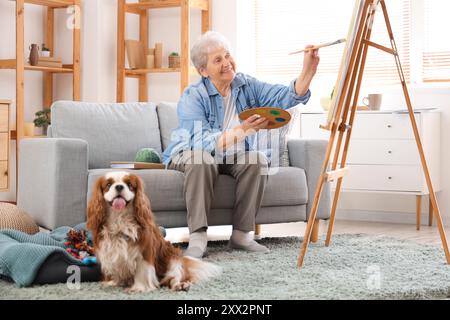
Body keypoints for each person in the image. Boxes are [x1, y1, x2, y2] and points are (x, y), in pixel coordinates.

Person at [163, 31, 319, 258]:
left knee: (256, 159)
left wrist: (308, 71)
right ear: (203, 71)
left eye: (227, 55)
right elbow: (201, 143)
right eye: (218, 60)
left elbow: (284, 97)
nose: (227, 63)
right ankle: (198, 237)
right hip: (189, 152)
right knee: (202, 159)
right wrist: (243, 129)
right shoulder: (193, 96)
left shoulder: (245, 85)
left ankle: (241, 235)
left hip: (231, 156)